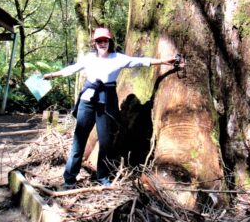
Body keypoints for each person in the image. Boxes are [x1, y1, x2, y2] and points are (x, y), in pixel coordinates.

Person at [44, 27, 178, 189]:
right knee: (79, 141)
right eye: (99, 41)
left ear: (110, 41)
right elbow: (71, 69)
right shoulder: (89, 58)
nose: (102, 43)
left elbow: (142, 61)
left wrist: (165, 61)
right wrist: (52, 75)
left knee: (106, 143)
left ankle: (102, 177)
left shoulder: (118, 58)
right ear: (94, 43)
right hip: (87, 103)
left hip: (105, 105)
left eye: (105, 40)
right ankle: (69, 179)